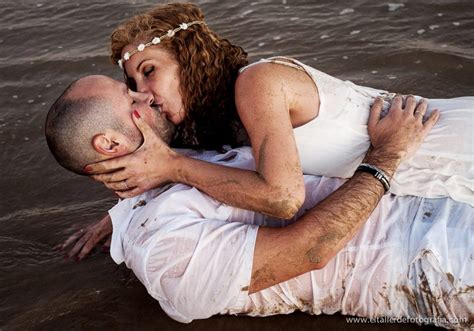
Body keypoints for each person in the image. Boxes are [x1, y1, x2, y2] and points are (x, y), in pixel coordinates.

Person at [44, 80, 472, 328]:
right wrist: (387, 155)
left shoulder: (171, 163)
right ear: (111, 144)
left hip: (439, 201)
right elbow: (312, 249)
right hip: (433, 266)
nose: (148, 97)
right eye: (132, 100)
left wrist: (115, 214)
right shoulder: (163, 250)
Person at [84, 3, 473, 213]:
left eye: (149, 71)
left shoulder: (258, 82)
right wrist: (118, 217)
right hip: (424, 161)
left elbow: (283, 199)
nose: (145, 93)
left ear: (187, 57)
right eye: (133, 84)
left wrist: (172, 166)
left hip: (451, 140)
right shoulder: (221, 117)